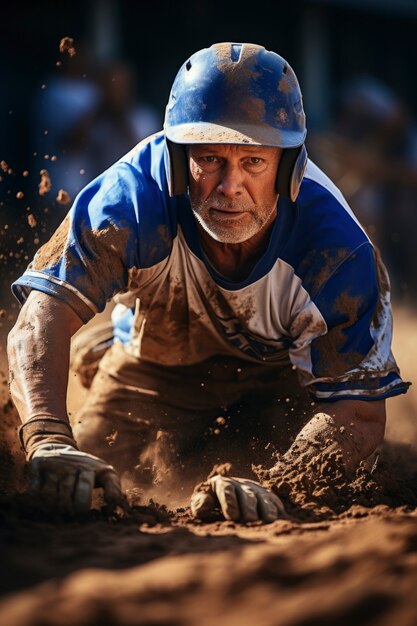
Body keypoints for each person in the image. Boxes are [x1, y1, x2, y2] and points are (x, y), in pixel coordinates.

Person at [7, 43, 408, 523]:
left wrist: (277, 487)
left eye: (254, 162)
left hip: (286, 382)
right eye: (211, 159)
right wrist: (48, 437)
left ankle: (115, 337)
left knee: (326, 465)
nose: (229, 187)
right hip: (157, 368)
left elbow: (358, 413)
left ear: (290, 167)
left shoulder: (337, 251)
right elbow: (40, 316)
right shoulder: (130, 198)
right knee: (87, 475)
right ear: (177, 159)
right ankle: (114, 338)